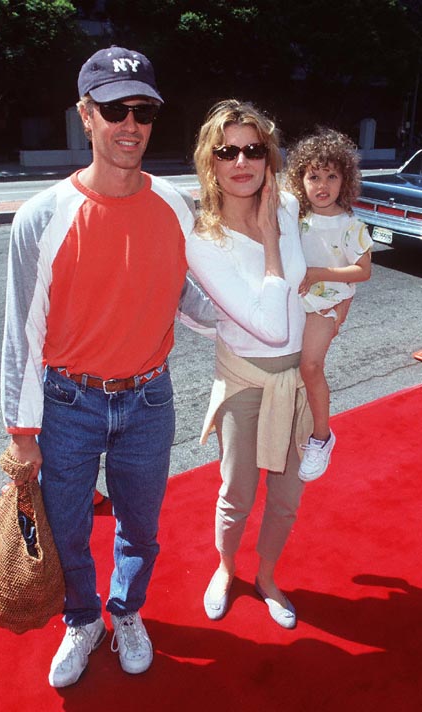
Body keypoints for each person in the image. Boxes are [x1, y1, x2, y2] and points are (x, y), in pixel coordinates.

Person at [1, 45, 214, 688]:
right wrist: (21, 433)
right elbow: (23, 333)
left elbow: (197, 301)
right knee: (67, 529)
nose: (131, 124)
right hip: (67, 402)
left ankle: (125, 613)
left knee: (141, 530)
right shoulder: (43, 215)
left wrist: (274, 308)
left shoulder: (176, 206)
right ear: (85, 115)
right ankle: (82, 617)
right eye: (114, 109)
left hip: (149, 400)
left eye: (142, 111)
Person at [185, 99, 314, 628]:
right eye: (227, 151)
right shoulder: (204, 240)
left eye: (253, 149)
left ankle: (266, 576)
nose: (242, 161)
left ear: (268, 154)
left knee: (286, 496)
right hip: (243, 377)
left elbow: (299, 293)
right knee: (236, 490)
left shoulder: (286, 204)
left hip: (297, 379)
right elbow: (272, 325)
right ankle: (224, 567)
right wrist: (269, 244)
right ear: (210, 162)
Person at [285, 128, 372, 482]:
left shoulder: (350, 224)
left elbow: (363, 271)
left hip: (327, 305)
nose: (322, 184)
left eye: (331, 176)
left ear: (345, 180)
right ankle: (292, 426)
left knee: (310, 366)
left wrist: (320, 273)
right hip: (294, 302)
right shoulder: (295, 217)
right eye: (314, 176)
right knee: (286, 369)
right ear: (300, 179)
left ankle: (322, 436)